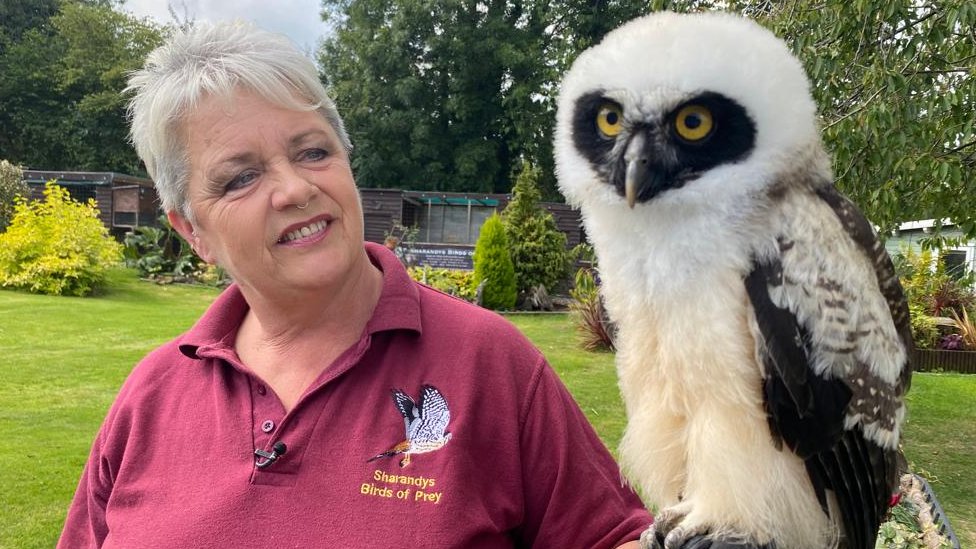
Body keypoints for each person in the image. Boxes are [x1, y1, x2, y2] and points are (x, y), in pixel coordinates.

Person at [57, 21, 652, 548]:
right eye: (241, 177)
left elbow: (610, 536)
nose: (294, 189)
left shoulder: (491, 365)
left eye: (313, 151)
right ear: (193, 230)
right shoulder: (153, 395)